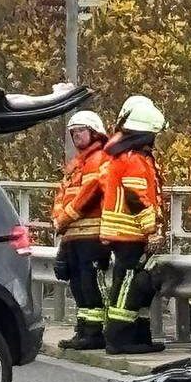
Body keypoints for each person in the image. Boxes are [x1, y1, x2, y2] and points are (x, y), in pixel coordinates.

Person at [99, 97, 166, 354]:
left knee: (125, 283)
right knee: (128, 284)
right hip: (129, 233)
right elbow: (136, 197)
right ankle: (120, 340)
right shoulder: (134, 160)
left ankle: (135, 337)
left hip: (122, 233)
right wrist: (151, 229)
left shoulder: (124, 156)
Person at [51, 110, 110, 350]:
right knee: (77, 285)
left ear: (94, 132)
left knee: (90, 285)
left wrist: (64, 218)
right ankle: (84, 330)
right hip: (72, 235)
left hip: (91, 235)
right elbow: (61, 194)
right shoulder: (76, 164)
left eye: (81, 131)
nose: (76, 136)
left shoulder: (98, 160)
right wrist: (57, 217)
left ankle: (94, 333)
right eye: (73, 133)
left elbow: (89, 193)